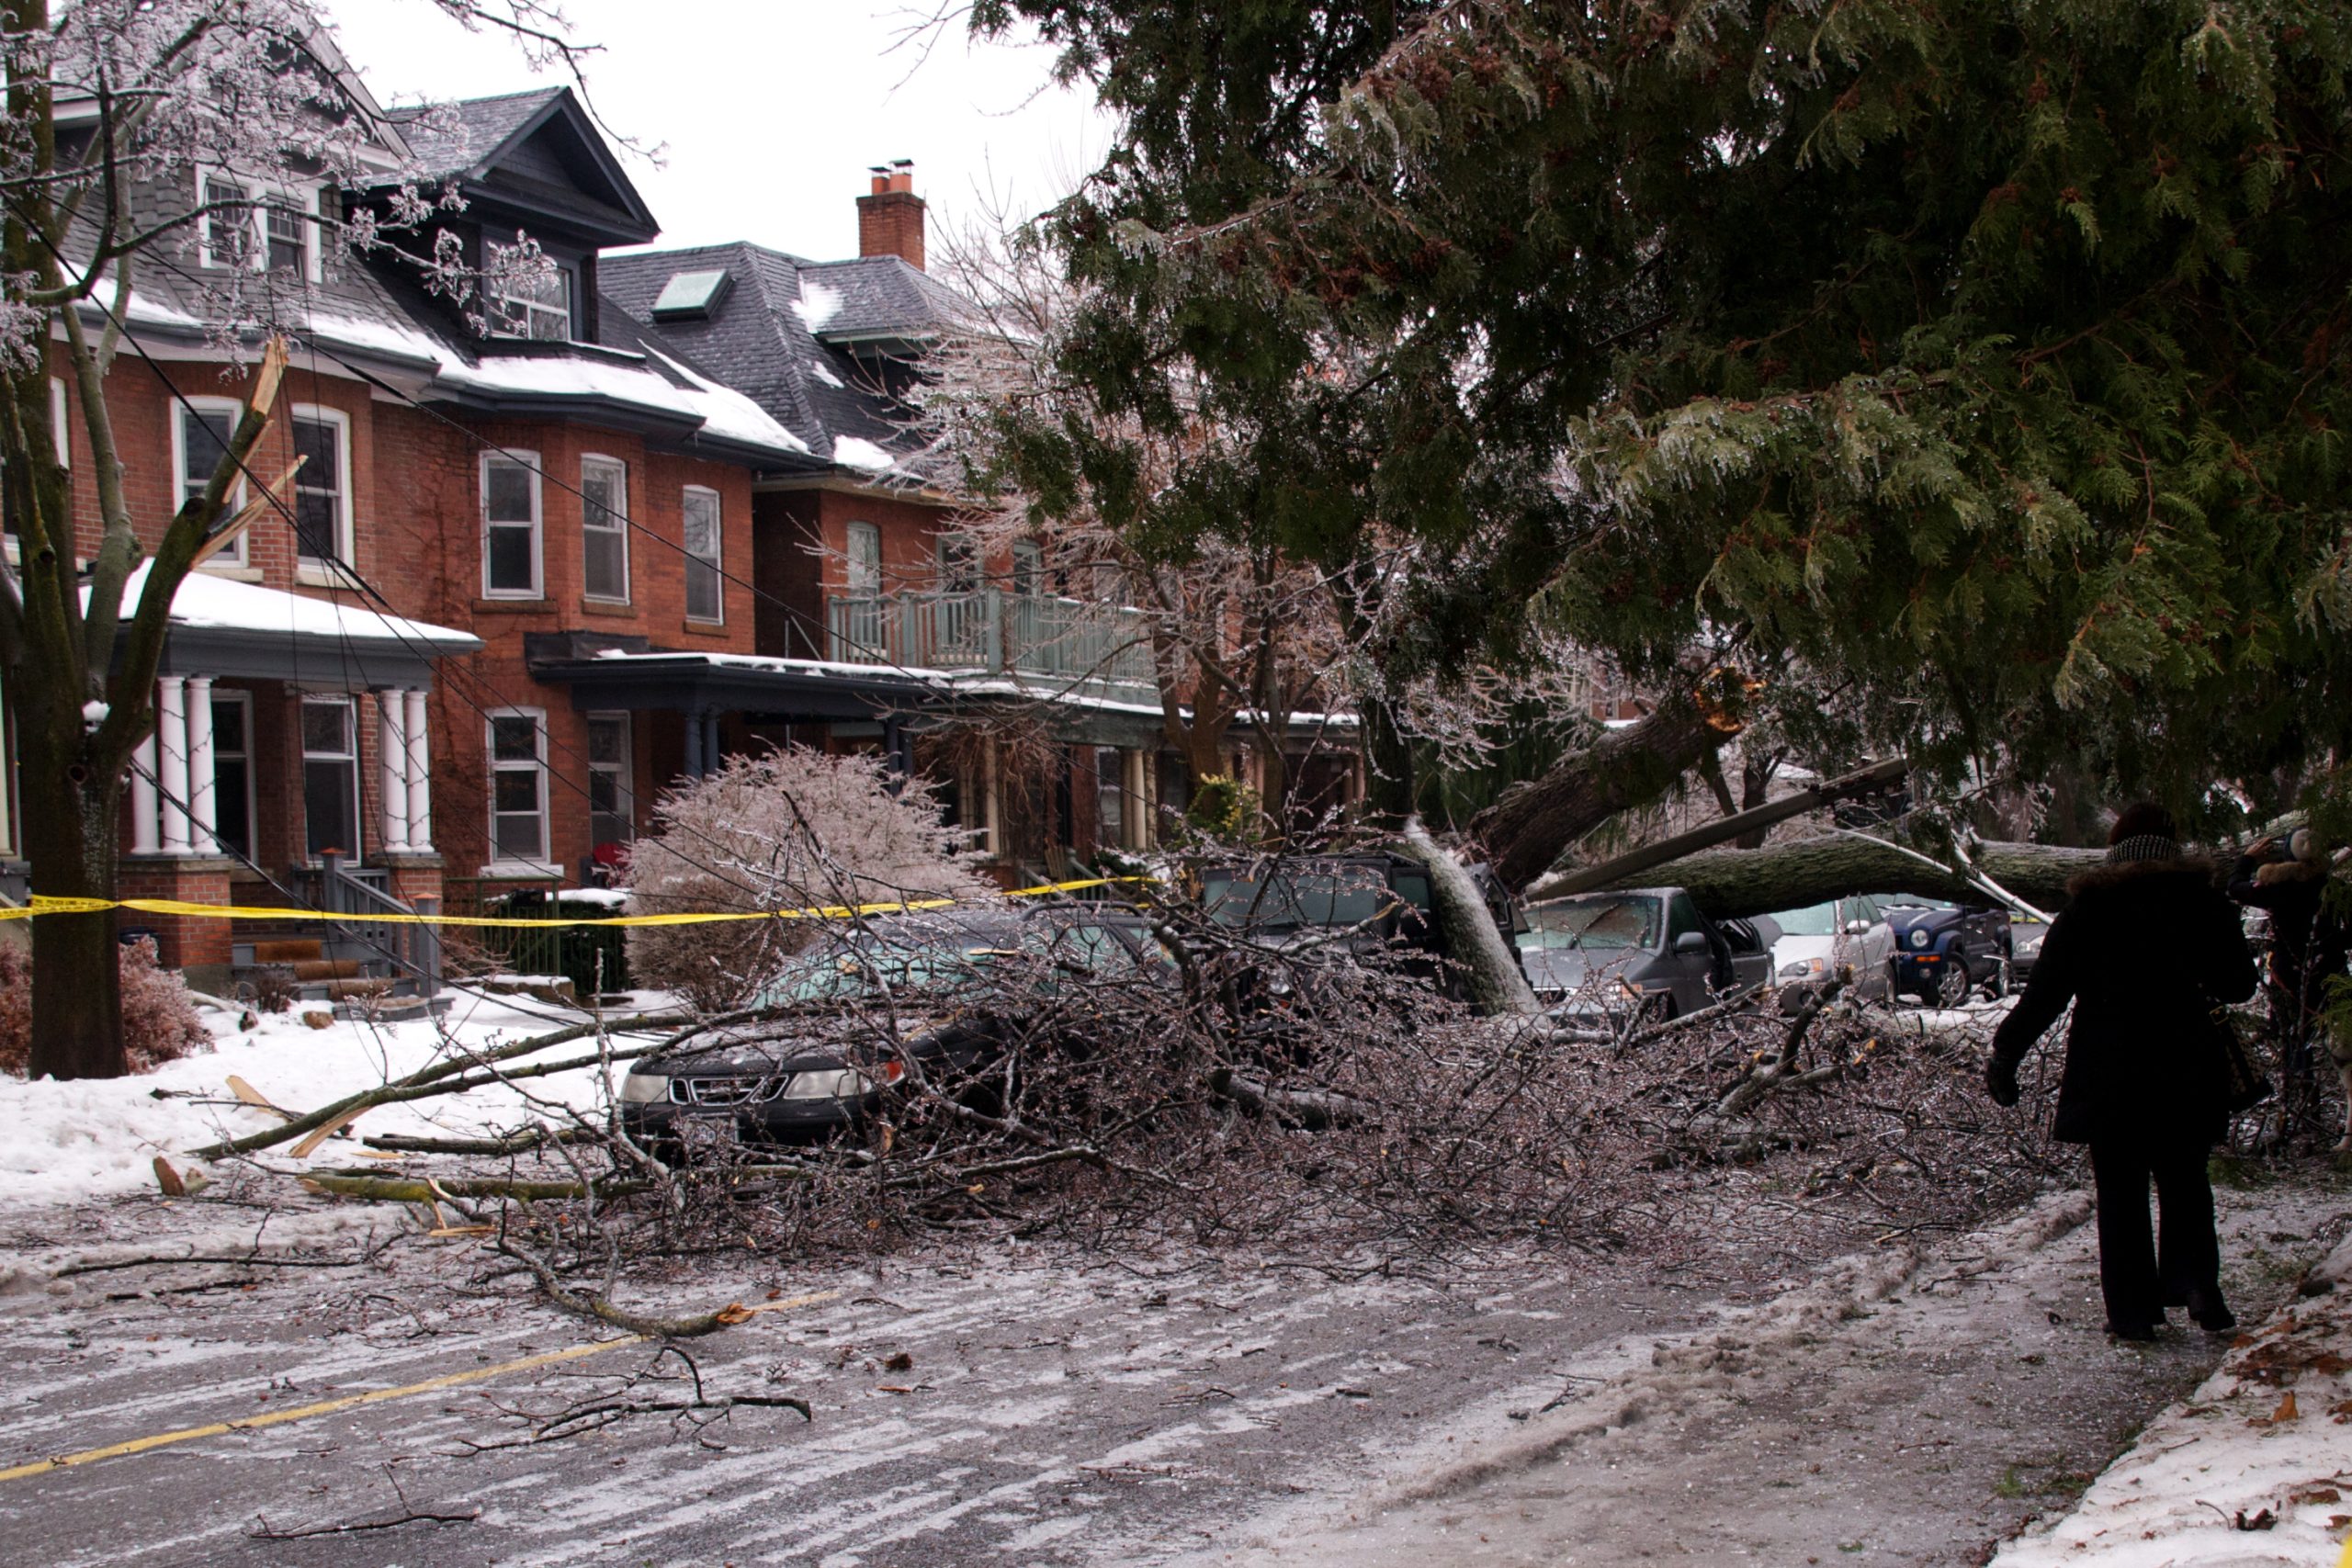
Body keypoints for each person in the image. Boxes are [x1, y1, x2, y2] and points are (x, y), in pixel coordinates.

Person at [1985, 804, 2257, 1340]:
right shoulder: (2203, 903)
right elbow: (2240, 986)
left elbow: (2044, 997)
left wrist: (2005, 1055)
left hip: (2109, 1074)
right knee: (2186, 1182)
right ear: (2172, 847)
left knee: (2120, 1195)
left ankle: (2132, 1314)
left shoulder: (2089, 909)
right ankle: (2199, 1288)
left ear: (2116, 848)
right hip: (2188, 1067)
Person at [2226, 828, 2350, 1106]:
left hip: (2289, 978)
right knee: (2346, 1046)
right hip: (2334, 975)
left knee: (2295, 1044)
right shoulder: (2334, 888)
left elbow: (2235, 887)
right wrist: (2329, 945)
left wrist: (2247, 859)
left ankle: (2304, 1106)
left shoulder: (2275, 888)